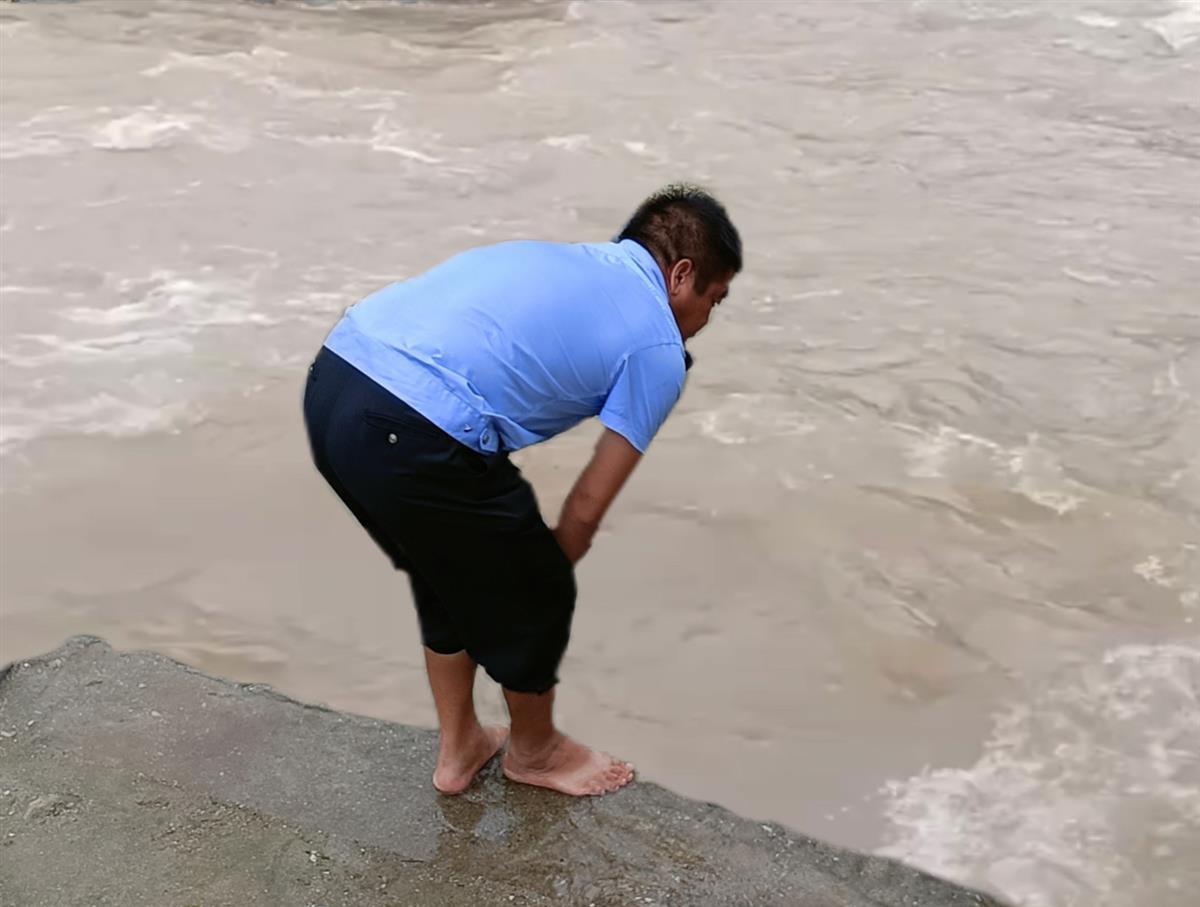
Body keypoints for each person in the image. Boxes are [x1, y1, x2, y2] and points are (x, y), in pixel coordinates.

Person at [303, 184, 742, 797]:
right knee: (535, 578)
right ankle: (535, 753)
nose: (706, 321)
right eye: (714, 300)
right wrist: (535, 587)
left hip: (335, 379)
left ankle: (461, 747)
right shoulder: (658, 346)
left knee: (444, 569)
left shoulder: (570, 262)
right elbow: (586, 507)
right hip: (406, 425)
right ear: (682, 275)